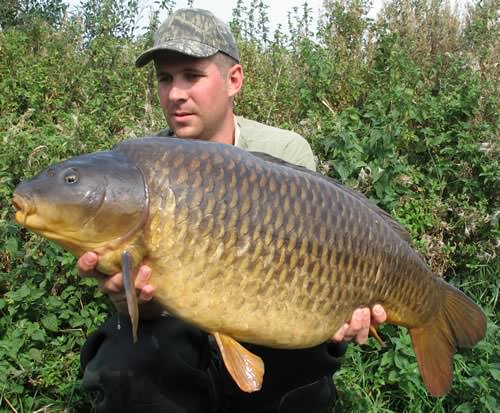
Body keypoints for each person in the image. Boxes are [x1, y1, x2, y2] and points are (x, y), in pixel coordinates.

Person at [78, 8, 387, 413]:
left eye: (192, 75)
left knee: (306, 360)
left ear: (233, 80)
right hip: (183, 328)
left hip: (273, 316)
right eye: (165, 78)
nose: (175, 94)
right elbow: (150, 309)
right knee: (126, 358)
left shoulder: (284, 152)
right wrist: (130, 298)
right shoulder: (140, 170)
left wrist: (345, 309)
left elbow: (321, 261)